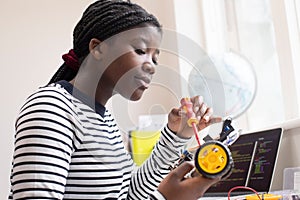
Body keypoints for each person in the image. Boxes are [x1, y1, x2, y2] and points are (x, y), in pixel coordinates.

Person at [8, 0, 222, 199]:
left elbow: (129, 194)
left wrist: (177, 134)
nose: (152, 66)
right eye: (140, 50)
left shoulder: (104, 120)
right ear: (97, 48)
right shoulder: (52, 109)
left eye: (155, 58)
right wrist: (165, 197)